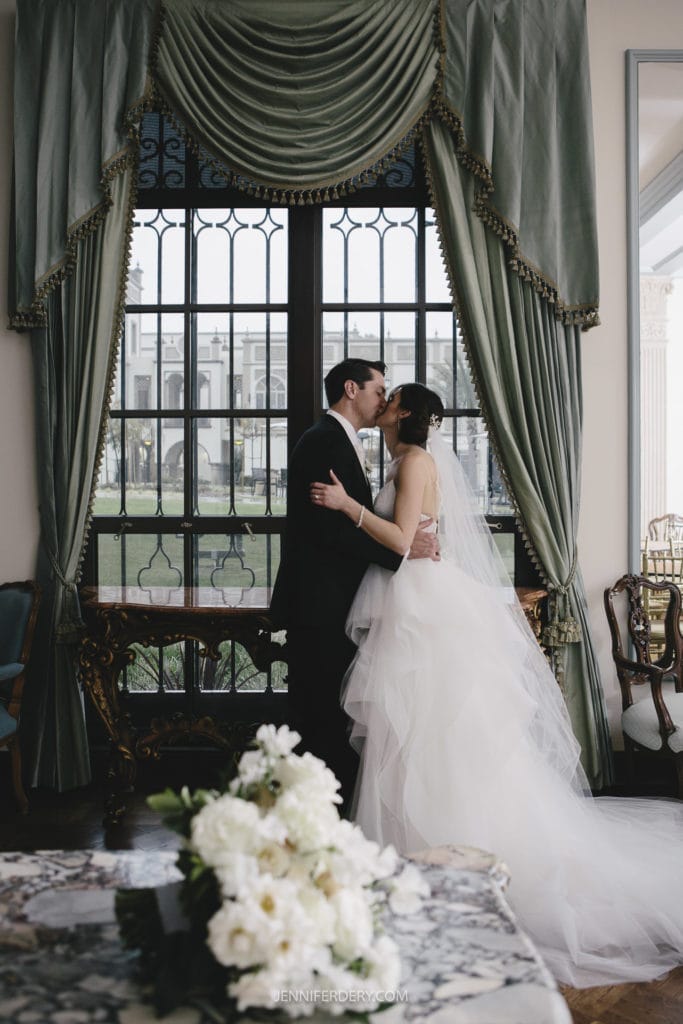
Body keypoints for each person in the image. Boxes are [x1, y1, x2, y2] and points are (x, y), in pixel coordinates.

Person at [310, 382, 683, 988]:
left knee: (431, 734)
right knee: (413, 738)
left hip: (422, 615)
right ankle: (413, 870)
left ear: (403, 413)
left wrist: (348, 506)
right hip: (417, 603)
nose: (381, 404)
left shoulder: (416, 462)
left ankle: (443, 870)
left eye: (391, 397)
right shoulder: (409, 462)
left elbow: (404, 543)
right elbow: (425, 537)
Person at [270, 360, 437, 813]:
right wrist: (401, 548)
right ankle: (313, 817)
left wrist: (400, 540)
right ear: (351, 389)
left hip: (340, 602)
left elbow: (360, 523)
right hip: (320, 604)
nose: (384, 399)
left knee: (333, 713)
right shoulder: (324, 440)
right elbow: (327, 530)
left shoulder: (350, 443)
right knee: (320, 714)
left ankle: (331, 815)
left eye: (389, 395)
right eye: (379, 389)